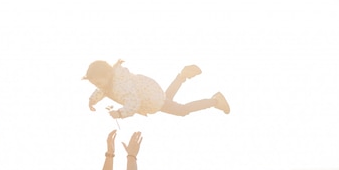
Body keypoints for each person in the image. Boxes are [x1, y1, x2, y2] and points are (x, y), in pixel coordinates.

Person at [84, 59, 230, 119]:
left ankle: (215, 101)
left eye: (98, 82)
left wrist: (120, 113)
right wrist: (92, 101)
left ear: (108, 74)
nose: (98, 86)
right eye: (95, 84)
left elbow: (133, 103)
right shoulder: (108, 83)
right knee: (166, 99)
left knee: (182, 110)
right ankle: (181, 76)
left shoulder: (121, 86)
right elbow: (101, 91)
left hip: (151, 99)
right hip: (152, 94)